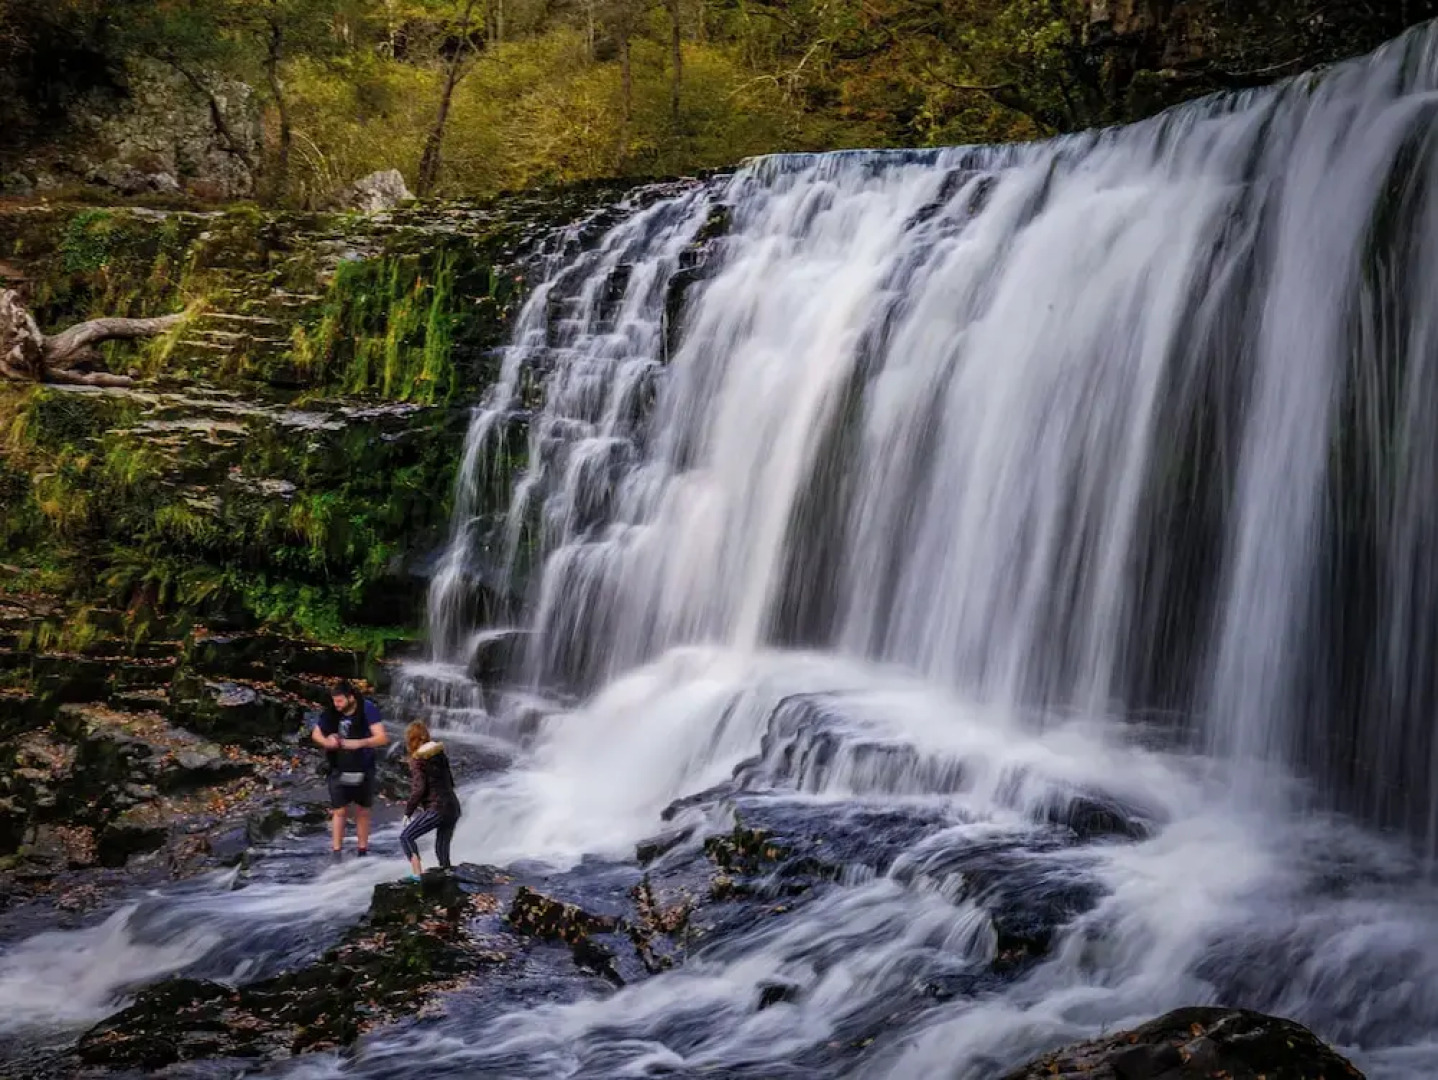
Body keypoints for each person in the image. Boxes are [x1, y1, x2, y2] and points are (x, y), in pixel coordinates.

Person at [310, 681, 388, 856]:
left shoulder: (367, 708)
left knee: (362, 810)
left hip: (363, 765)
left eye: (339, 701)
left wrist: (360, 743)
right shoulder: (332, 711)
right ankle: (336, 851)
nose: (336, 705)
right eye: (334, 701)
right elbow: (316, 733)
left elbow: (382, 737)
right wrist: (326, 742)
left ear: (351, 698)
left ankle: (362, 850)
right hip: (337, 765)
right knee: (339, 810)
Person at [399, 720, 461, 880]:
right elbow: (451, 781)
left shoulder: (418, 760)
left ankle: (417, 876)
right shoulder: (440, 754)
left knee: (406, 837)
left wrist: (408, 812)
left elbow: (419, 788)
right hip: (453, 807)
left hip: (437, 808)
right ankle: (447, 879)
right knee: (441, 848)